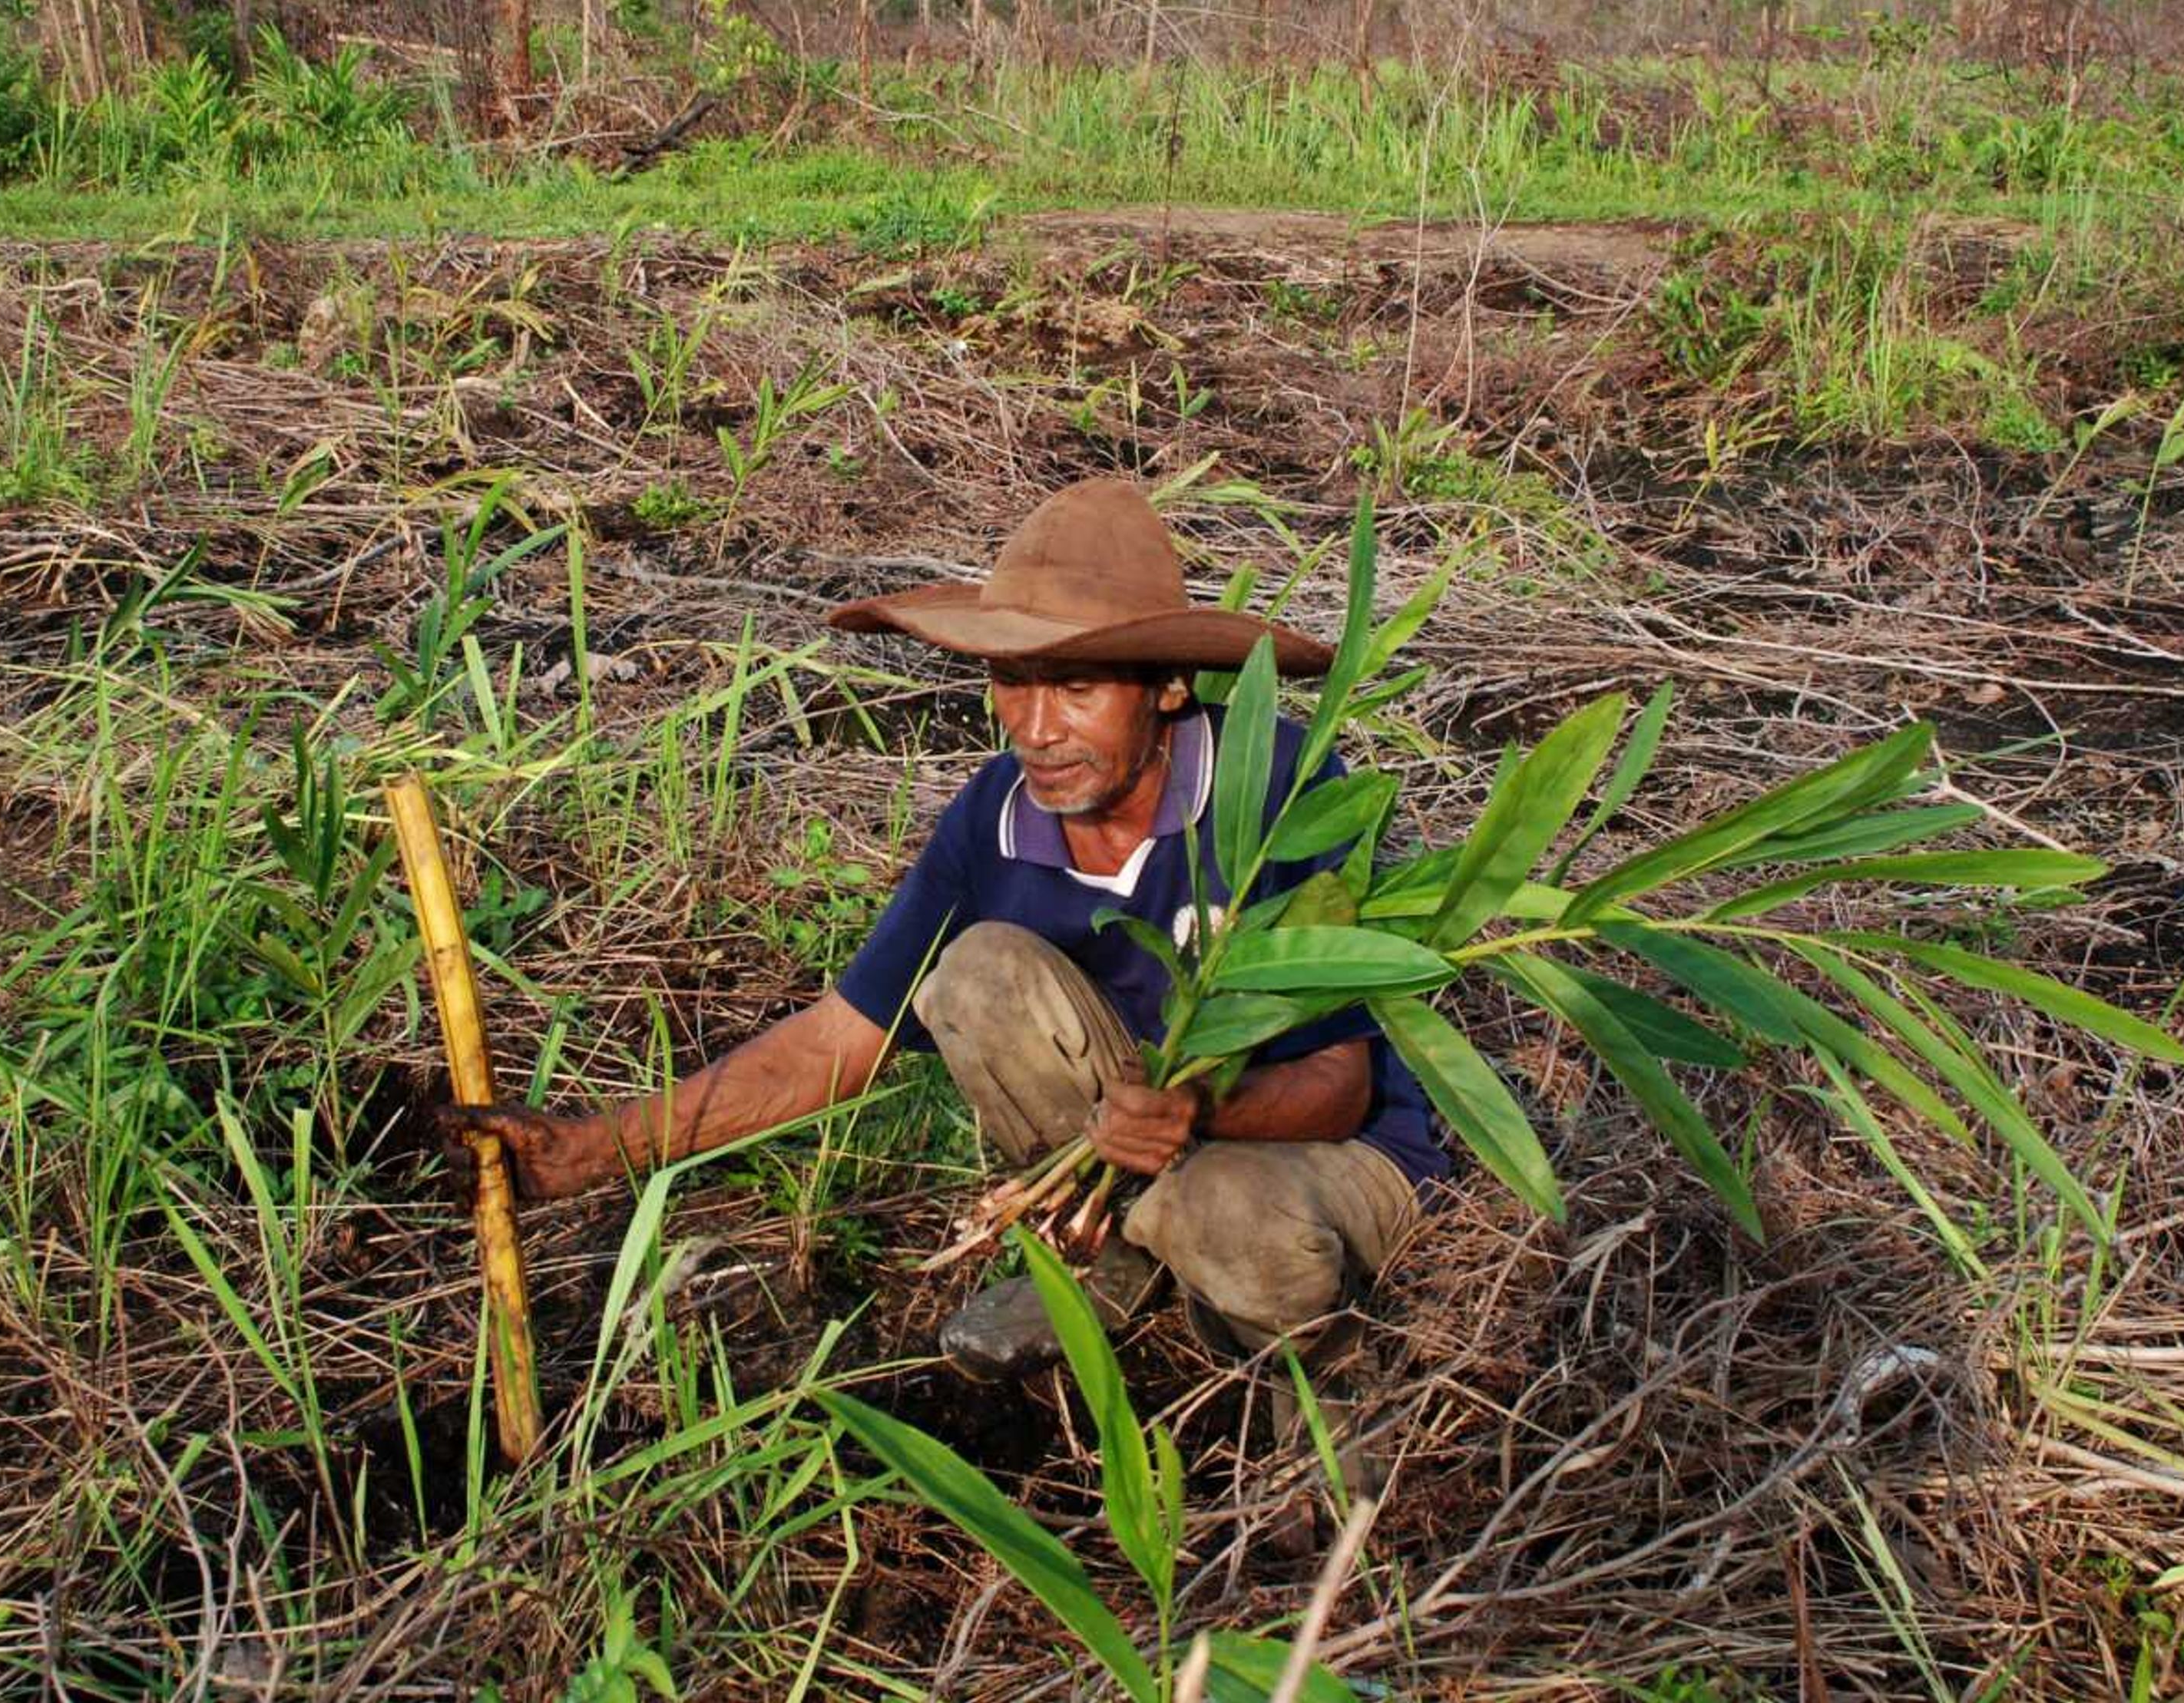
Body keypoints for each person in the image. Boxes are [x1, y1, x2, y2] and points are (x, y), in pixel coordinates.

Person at [448, 478, 1443, 1394]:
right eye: (1014, 679)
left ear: (1169, 685)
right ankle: (1107, 1253)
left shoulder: (1269, 784)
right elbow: (837, 1044)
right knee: (978, 974)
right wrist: (587, 1152)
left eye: (1080, 687)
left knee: (1223, 1212)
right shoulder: (996, 821)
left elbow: (1341, 1083)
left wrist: (1197, 1109)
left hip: (1331, 1151)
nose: (1036, 727)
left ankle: (1329, 1388)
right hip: (1143, 1140)